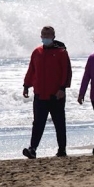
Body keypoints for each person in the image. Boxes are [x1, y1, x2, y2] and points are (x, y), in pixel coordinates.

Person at [23, 26, 72, 158]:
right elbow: (31, 70)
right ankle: (32, 149)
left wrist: (62, 88)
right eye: (44, 34)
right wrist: (26, 85)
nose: (46, 36)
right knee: (38, 123)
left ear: (54, 36)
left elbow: (66, 72)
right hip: (40, 94)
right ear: (40, 36)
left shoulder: (61, 52)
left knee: (59, 122)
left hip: (56, 95)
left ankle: (62, 149)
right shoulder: (37, 52)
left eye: (49, 34)